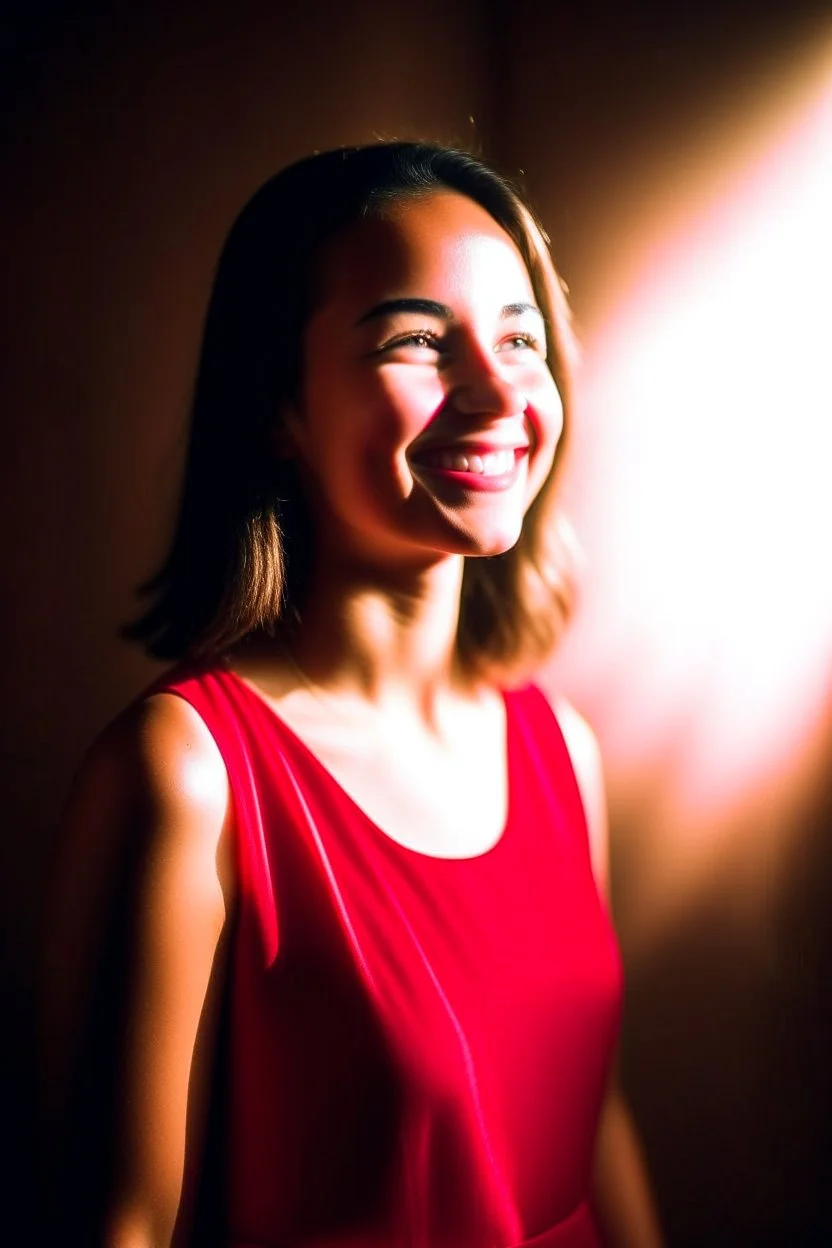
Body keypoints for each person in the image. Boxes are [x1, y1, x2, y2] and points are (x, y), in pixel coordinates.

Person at [42, 143, 663, 1248]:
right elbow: (120, 1223)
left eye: (519, 338)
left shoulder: (559, 747)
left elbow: (589, 1119)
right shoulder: (186, 775)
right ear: (278, 409)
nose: (495, 391)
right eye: (418, 341)